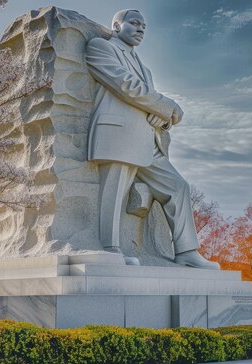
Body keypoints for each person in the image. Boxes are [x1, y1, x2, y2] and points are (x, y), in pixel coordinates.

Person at [85, 9, 219, 269]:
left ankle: (186, 252)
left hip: (149, 141)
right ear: (116, 26)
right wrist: (167, 106)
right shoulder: (101, 47)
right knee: (114, 192)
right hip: (118, 134)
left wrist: (164, 116)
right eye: (134, 23)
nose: (141, 29)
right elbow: (125, 86)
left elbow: (148, 100)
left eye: (144, 26)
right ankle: (109, 249)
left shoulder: (145, 69)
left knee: (178, 188)